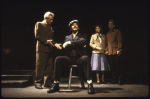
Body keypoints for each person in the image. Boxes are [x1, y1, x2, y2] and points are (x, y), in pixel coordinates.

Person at [47, 20, 95, 94]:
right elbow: (66, 47)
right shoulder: (67, 37)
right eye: (73, 25)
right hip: (69, 58)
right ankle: (56, 84)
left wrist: (70, 43)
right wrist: (60, 45)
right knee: (58, 59)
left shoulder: (83, 35)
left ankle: (90, 84)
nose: (75, 26)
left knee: (86, 58)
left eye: (76, 25)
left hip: (79, 58)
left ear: (78, 27)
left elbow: (82, 42)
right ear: (70, 28)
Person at [34, 11, 62, 89]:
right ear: (46, 18)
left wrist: (55, 44)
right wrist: (46, 41)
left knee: (49, 67)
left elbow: (51, 39)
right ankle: (38, 83)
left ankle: (47, 83)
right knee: (40, 66)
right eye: (51, 19)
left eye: (52, 19)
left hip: (49, 50)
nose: (52, 21)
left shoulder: (50, 27)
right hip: (41, 49)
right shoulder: (39, 24)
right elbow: (37, 36)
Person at [105, 19, 122, 85]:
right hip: (110, 52)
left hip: (115, 51)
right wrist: (106, 50)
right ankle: (114, 79)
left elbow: (119, 41)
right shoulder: (107, 33)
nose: (109, 25)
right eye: (109, 24)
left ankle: (119, 79)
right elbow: (106, 43)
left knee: (118, 66)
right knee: (112, 67)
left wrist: (119, 49)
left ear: (114, 25)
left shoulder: (117, 32)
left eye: (111, 24)